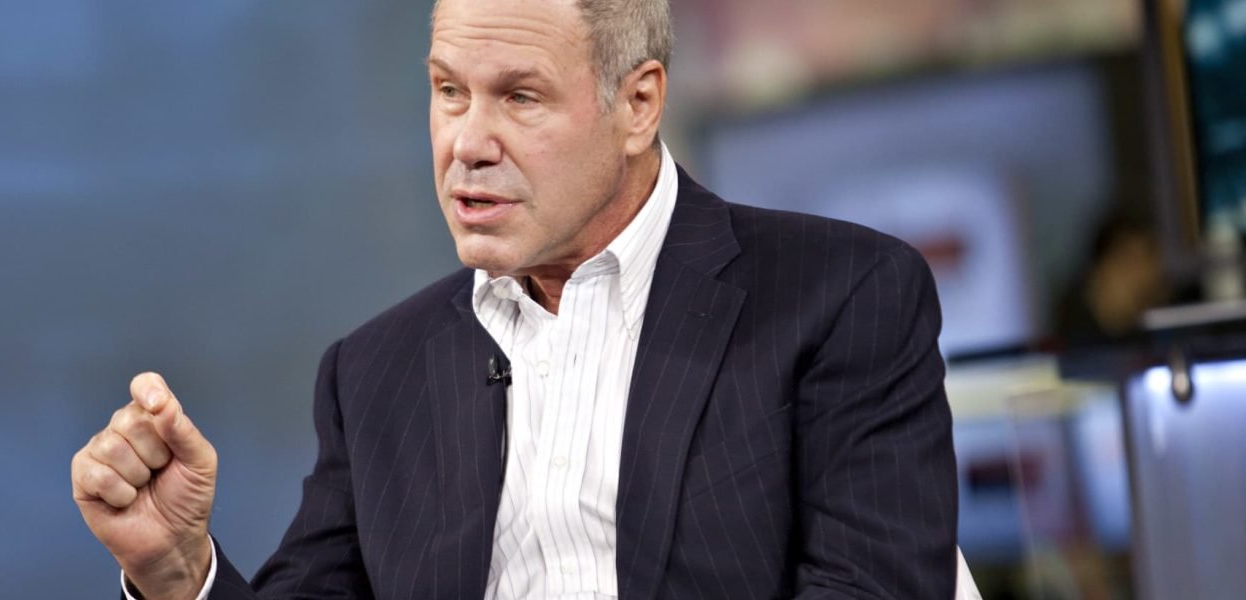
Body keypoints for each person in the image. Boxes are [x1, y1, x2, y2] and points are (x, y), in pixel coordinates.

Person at [71, 0, 958, 598]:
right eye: (448, 92)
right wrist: (180, 574)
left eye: (519, 97)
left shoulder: (838, 296)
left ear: (639, 103)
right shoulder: (373, 373)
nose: (467, 143)